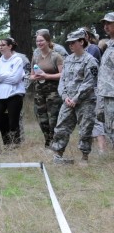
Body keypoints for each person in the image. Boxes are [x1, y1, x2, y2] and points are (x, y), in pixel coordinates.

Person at [50, 29, 98, 164]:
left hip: (85, 101)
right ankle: (58, 154)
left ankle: (84, 156)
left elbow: (89, 82)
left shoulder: (90, 61)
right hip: (68, 100)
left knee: (85, 129)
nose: (70, 45)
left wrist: (76, 98)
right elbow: (62, 80)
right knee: (61, 127)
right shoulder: (68, 60)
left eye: (73, 42)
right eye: (69, 43)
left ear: (81, 42)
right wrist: (65, 97)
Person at [0, 38, 26, 149]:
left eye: (3, 45)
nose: (1, 47)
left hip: (14, 95)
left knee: (13, 123)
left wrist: (1, 77)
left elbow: (15, 79)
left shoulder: (17, 60)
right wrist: (7, 75)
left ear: (10, 46)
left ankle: (14, 147)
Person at [31, 31, 64, 148]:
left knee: (53, 118)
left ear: (48, 41)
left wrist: (47, 76)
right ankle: (48, 141)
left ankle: (55, 142)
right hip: (39, 92)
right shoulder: (35, 57)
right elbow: (31, 76)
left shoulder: (56, 56)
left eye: (41, 41)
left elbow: (63, 75)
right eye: (37, 41)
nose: (39, 43)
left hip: (53, 92)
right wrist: (35, 77)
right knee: (42, 118)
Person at [98, 12, 114, 141]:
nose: (106, 26)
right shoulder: (108, 45)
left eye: (109, 23)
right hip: (106, 93)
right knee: (109, 127)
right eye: (105, 23)